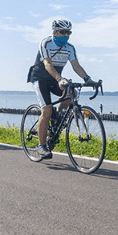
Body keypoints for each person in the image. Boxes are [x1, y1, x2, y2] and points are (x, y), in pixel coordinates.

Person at [29, 19, 97, 159]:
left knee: (72, 93)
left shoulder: (70, 48)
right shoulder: (46, 43)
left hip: (55, 79)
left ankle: (58, 117)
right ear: (54, 32)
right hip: (40, 79)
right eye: (63, 32)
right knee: (46, 110)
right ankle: (41, 146)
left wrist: (88, 79)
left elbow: (76, 66)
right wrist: (60, 79)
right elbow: (47, 64)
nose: (66, 35)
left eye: (69, 33)